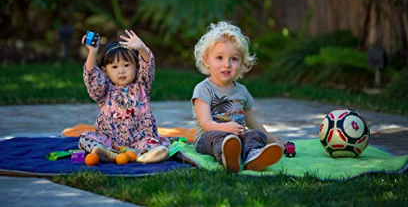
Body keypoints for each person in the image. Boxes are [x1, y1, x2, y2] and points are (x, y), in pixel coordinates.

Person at [192, 22, 284, 173]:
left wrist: (273, 141)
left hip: (238, 137)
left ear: (242, 63)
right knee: (218, 138)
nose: (226, 64)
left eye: (233, 59)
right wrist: (224, 128)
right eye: (219, 57)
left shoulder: (242, 91)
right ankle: (227, 156)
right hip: (209, 136)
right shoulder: (203, 89)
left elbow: (253, 122)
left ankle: (252, 157)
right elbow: (205, 123)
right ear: (207, 60)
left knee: (255, 135)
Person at [79, 29, 170, 163]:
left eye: (126, 65)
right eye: (114, 67)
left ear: (136, 67)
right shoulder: (104, 89)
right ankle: (110, 154)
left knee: (156, 145)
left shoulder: (141, 85)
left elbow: (148, 66)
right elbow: (92, 76)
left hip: (140, 138)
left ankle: (145, 156)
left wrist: (142, 48)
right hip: (110, 140)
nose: (121, 71)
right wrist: (92, 52)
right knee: (84, 138)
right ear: (105, 71)